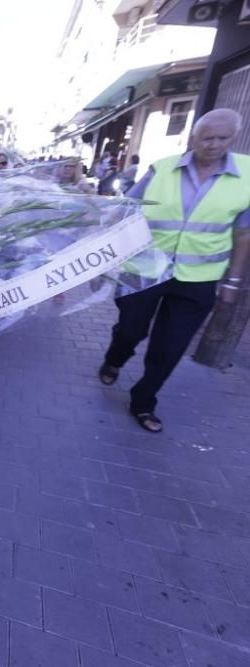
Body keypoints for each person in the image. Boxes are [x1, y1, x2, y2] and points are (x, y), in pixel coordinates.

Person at [99, 108, 250, 433]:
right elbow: (127, 211)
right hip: (144, 270)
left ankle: (143, 400)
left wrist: (233, 281)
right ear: (193, 137)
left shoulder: (247, 177)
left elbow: (244, 232)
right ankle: (115, 358)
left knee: (170, 345)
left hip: (198, 279)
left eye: (222, 138)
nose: (214, 144)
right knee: (130, 330)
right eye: (207, 137)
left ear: (232, 138)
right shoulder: (162, 169)